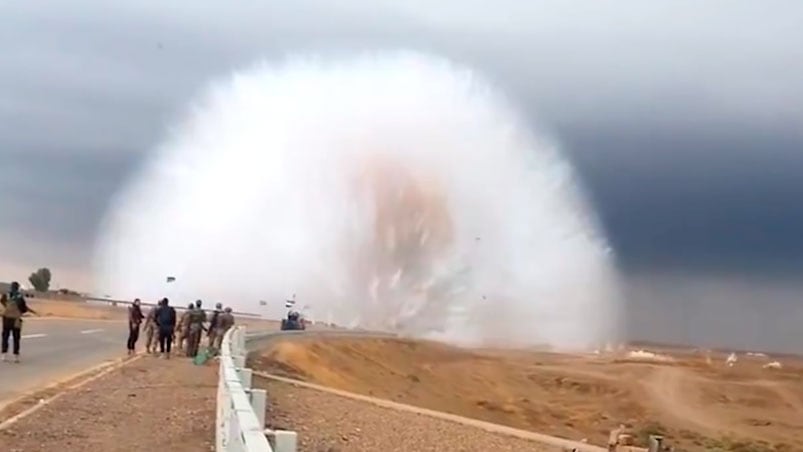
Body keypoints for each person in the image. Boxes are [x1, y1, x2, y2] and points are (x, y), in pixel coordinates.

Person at [1, 282, 37, 363]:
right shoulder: (20, 297)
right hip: (16, 320)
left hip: (6, 318)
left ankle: (4, 354)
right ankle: (16, 356)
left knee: (5, 336)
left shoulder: (6, 295)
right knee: (16, 337)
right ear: (17, 288)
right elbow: (23, 309)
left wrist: (7, 307)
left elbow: (2, 301)